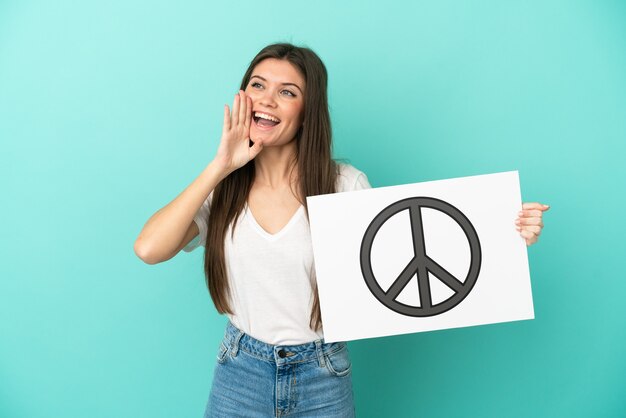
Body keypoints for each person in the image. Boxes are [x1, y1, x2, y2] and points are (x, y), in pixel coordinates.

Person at [134, 42, 549, 417]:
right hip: (240, 370)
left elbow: (406, 260)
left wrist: (505, 233)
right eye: (258, 85)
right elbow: (149, 248)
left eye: (287, 92)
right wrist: (218, 166)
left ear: (307, 110)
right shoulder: (222, 188)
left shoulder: (344, 184)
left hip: (322, 372)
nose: (267, 100)